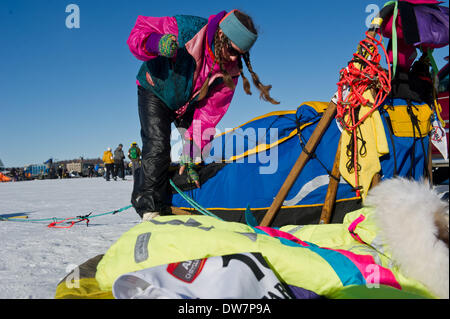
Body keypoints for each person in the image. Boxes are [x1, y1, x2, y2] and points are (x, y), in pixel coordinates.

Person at [127, 9, 279, 221]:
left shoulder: (231, 70)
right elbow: (138, 33)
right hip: (156, 88)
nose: (234, 57)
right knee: (158, 145)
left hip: (188, 102)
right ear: (220, 35)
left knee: (195, 153)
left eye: (240, 54)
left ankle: (186, 194)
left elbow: (208, 113)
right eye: (230, 49)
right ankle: (149, 208)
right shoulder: (187, 29)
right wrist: (155, 43)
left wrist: (191, 149)